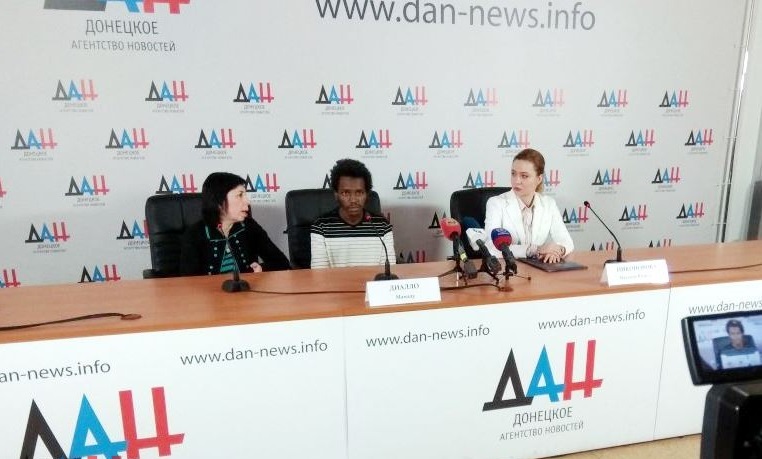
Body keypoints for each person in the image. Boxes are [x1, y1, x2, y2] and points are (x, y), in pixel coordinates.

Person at [180, 172, 290, 275]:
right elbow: (188, 281)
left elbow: (282, 263)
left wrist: (261, 269)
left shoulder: (249, 226)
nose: (247, 201)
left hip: (247, 289)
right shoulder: (195, 234)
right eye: (240, 195)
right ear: (218, 201)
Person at [484, 148, 573, 263]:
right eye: (513, 174)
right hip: (508, 268)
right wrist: (536, 250)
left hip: (538, 269)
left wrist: (556, 251)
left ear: (539, 179)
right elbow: (490, 247)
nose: (516, 181)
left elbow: (566, 241)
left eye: (524, 176)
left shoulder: (548, 204)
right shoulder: (496, 203)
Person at [310, 159, 395, 268]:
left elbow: (388, 272)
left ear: (367, 195)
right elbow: (320, 274)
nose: (353, 200)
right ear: (336, 195)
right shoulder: (321, 226)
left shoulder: (382, 226)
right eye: (346, 193)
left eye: (359, 193)